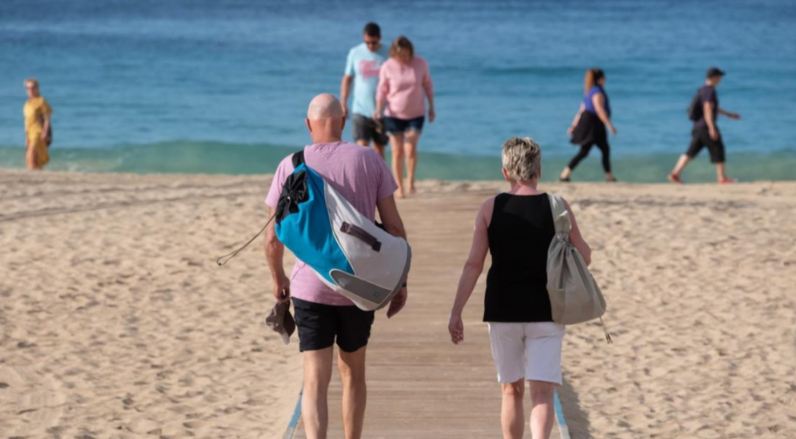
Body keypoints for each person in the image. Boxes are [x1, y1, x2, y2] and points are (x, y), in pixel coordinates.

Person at [264, 94, 408, 439]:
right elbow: (394, 228)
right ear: (343, 122)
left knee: (314, 378)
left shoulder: (291, 165)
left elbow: (272, 238)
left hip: (310, 286)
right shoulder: (369, 160)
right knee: (353, 372)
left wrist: (278, 278)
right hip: (360, 284)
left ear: (308, 124)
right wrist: (399, 282)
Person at [449, 137, 592, 439]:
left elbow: (473, 264)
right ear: (538, 169)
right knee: (542, 393)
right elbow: (585, 256)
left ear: (505, 172)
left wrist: (457, 311)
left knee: (510, 390)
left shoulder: (491, 208)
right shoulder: (557, 206)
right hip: (547, 310)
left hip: (503, 311)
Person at [374, 36, 435, 198]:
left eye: (407, 54)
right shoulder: (387, 66)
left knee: (410, 149)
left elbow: (428, 85)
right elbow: (382, 90)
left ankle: (411, 181)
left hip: (416, 114)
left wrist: (432, 107)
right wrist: (378, 110)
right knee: (397, 151)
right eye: (401, 55)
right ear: (395, 53)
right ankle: (399, 186)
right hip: (393, 115)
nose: (404, 58)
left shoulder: (421, 64)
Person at [668, 67, 741, 184]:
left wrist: (728, 114)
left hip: (698, 126)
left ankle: (675, 174)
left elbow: (712, 108)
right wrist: (712, 128)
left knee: (691, 151)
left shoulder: (702, 90)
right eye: (719, 77)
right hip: (705, 126)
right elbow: (707, 109)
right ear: (713, 77)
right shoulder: (710, 91)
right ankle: (722, 178)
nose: (720, 79)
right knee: (718, 148)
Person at [340, 22, 390, 158]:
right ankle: (362, 179)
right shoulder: (355, 52)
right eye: (367, 42)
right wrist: (343, 102)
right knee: (361, 149)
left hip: (382, 111)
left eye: (373, 43)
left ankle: (379, 179)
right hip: (360, 109)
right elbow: (347, 78)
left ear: (379, 38)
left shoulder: (388, 52)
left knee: (379, 151)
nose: (370, 46)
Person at [560, 68, 617, 182]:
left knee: (602, 149)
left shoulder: (589, 91)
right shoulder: (597, 92)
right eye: (604, 78)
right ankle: (565, 174)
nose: (605, 80)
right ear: (600, 79)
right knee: (586, 151)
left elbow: (581, 110)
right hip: (593, 124)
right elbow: (599, 109)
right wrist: (609, 125)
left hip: (591, 123)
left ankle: (608, 176)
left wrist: (574, 125)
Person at [22, 78, 52, 170]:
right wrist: (26, 136)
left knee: (32, 153)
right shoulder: (27, 104)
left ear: (37, 88)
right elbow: (27, 121)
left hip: (38, 132)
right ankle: (36, 176)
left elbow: (47, 119)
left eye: (33, 87)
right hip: (30, 133)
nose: (30, 90)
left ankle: (33, 174)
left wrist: (45, 132)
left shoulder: (41, 101)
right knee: (32, 157)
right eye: (28, 88)